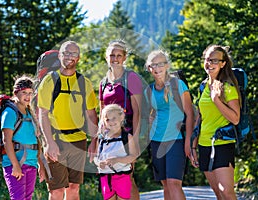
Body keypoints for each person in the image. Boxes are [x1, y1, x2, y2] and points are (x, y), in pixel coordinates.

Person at [37, 41, 98, 200]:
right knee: (56, 191)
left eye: (73, 54)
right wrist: (49, 142)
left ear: (78, 58)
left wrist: (94, 140)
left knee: (74, 188)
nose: (69, 57)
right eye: (66, 53)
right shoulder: (49, 81)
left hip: (79, 141)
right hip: (56, 141)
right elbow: (42, 114)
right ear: (60, 55)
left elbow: (91, 114)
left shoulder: (84, 82)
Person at [192, 45, 240, 199]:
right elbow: (200, 117)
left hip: (223, 143)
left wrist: (216, 100)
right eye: (207, 59)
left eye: (214, 60)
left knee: (227, 192)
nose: (209, 63)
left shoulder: (228, 87)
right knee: (218, 193)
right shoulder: (203, 86)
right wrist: (193, 145)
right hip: (204, 145)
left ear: (223, 64)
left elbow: (235, 118)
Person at [145, 50, 194, 200]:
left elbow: (190, 113)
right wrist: (150, 119)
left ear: (167, 65)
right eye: (153, 65)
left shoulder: (177, 85)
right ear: (149, 68)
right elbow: (152, 113)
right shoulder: (149, 90)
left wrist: (188, 142)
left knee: (174, 183)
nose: (157, 68)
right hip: (156, 141)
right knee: (165, 184)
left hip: (176, 139)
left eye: (161, 64)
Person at [99, 40, 142, 199]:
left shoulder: (131, 78)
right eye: (111, 55)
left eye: (119, 55)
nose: (115, 58)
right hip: (108, 137)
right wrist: (98, 139)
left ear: (124, 58)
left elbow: (138, 111)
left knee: (127, 176)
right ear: (106, 58)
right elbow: (102, 113)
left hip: (126, 134)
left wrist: (135, 138)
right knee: (109, 177)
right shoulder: (103, 83)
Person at [1, 74, 44, 200]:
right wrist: (15, 165)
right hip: (16, 163)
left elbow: (36, 141)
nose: (28, 96)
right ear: (16, 93)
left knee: (27, 198)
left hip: (31, 163)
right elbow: (6, 140)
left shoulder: (30, 113)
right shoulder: (10, 112)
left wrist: (40, 164)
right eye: (24, 92)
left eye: (30, 93)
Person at [94, 104, 138, 200]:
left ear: (121, 117)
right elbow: (96, 156)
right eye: (107, 119)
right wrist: (98, 163)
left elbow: (133, 156)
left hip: (123, 176)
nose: (111, 122)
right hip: (106, 177)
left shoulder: (127, 137)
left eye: (114, 118)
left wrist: (117, 160)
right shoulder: (101, 139)